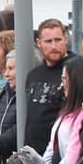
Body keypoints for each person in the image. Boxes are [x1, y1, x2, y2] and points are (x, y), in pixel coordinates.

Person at [24, 19, 73, 154]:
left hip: (62, 151)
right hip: (34, 154)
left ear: (66, 39)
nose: (53, 46)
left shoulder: (77, 68)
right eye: (48, 41)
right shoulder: (33, 75)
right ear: (39, 43)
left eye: (58, 40)